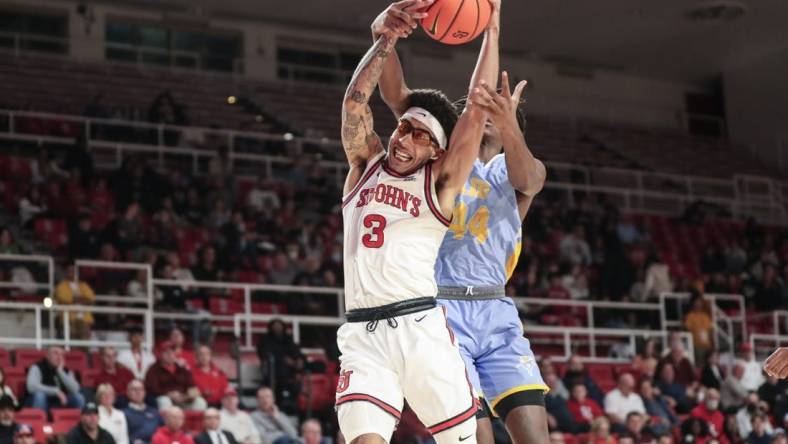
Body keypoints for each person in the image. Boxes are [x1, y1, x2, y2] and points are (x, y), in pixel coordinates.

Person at [374, 0, 545, 442]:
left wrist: (509, 125)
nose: (482, 111)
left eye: (496, 110)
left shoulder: (518, 172)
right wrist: (383, 34)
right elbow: (397, 97)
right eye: (478, 108)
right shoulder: (441, 163)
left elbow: (531, 177)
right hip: (440, 311)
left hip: (496, 311)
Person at [335, 0, 499, 441]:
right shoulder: (365, 163)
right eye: (404, 128)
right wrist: (386, 36)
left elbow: (476, 112)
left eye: (422, 136)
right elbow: (355, 102)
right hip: (362, 335)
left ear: (438, 152)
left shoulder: (440, 185)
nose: (406, 139)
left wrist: (492, 30)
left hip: (420, 331)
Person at [144, 340, 207, 410]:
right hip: (165, 399)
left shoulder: (182, 369)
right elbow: (152, 389)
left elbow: (193, 387)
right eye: (166, 352)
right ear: (160, 354)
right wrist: (169, 394)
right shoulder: (153, 369)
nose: (170, 354)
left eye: (172, 351)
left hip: (183, 400)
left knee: (200, 402)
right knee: (164, 401)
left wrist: (186, 396)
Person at [255, 320, 304, 406]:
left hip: (291, 371)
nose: (277, 327)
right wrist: (284, 359)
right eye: (275, 325)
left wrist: (299, 359)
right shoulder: (266, 339)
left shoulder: (288, 338)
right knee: (281, 371)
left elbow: (296, 351)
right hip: (273, 372)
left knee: (316, 365)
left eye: (279, 325)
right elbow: (264, 354)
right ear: (271, 327)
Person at [26, 346, 85, 411]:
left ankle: (79, 420)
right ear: (47, 356)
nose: (59, 357)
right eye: (55, 353)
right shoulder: (37, 367)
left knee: (78, 397)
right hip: (42, 401)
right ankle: (39, 420)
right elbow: (31, 387)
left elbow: (75, 389)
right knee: (39, 396)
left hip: (60, 402)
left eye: (61, 354)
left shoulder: (66, 371)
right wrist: (56, 391)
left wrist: (60, 371)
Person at [54, 264, 96, 340]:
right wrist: (81, 299)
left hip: (84, 319)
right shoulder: (61, 286)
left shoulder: (83, 285)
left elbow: (91, 299)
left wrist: (76, 299)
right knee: (71, 340)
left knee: (85, 340)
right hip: (69, 318)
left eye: (73, 271)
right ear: (65, 272)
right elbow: (64, 300)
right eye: (69, 271)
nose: (72, 273)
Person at [123, 380, 163, 444]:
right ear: (128, 393)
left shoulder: (155, 412)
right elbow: (121, 435)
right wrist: (132, 440)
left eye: (141, 389)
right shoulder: (123, 413)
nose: (138, 392)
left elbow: (164, 430)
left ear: (144, 392)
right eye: (134, 389)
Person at [685, 294, 713, 365]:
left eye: (700, 302)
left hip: (707, 345)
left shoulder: (706, 316)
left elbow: (710, 331)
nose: (698, 304)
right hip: (696, 345)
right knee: (700, 365)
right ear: (693, 303)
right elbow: (687, 329)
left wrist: (712, 344)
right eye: (696, 302)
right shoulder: (690, 316)